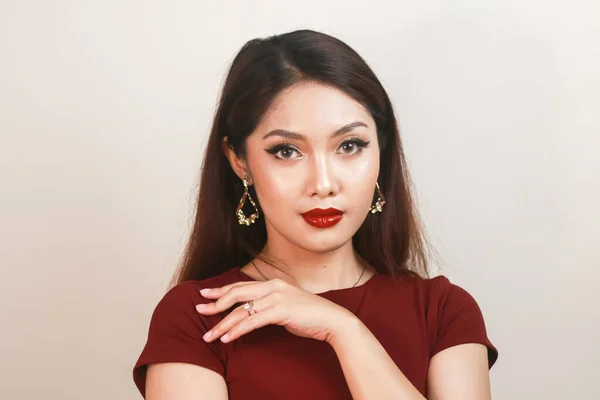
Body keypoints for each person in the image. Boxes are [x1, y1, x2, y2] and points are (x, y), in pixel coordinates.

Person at [132, 29, 498, 399]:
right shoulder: (200, 317)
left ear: (381, 153)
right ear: (239, 161)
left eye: (350, 146)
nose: (322, 184)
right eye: (287, 151)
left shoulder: (444, 312)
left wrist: (344, 330)